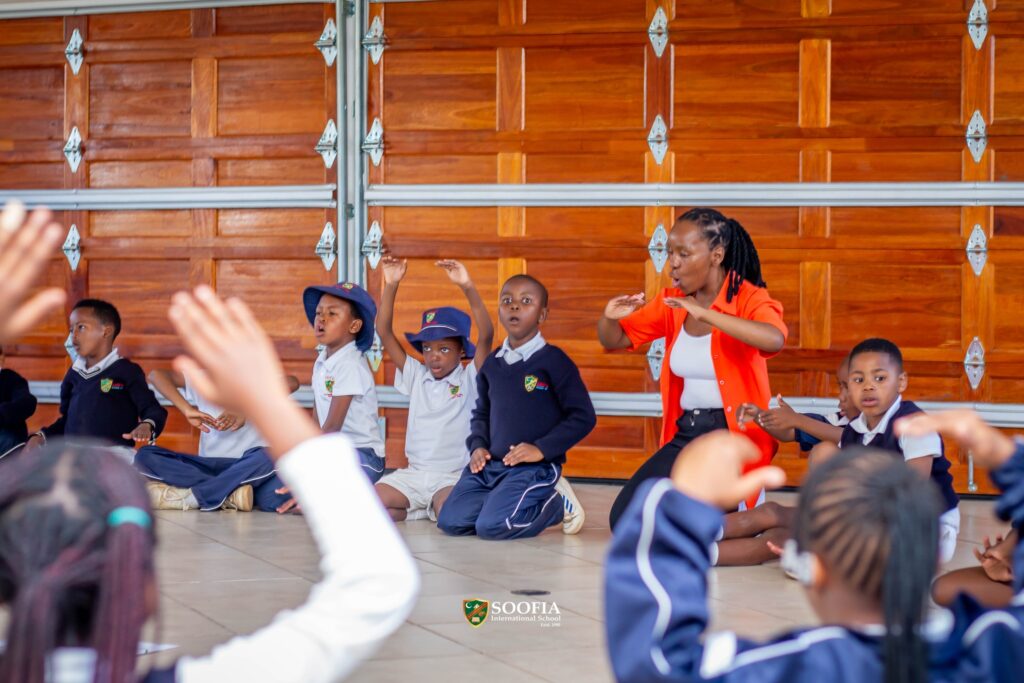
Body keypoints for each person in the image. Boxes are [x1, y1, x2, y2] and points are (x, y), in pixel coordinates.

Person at [0, 197, 419, 682]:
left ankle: (201, 494)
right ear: (148, 593)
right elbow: (377, 587)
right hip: (255, 468)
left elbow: (323, 419)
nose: (320, 318)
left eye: (331, 312)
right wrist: (256, 407)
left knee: (260, 465)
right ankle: (215, 492)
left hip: (325, 457)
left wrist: (251, 408)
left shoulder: (340, 364)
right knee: (231, 474)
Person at [605, 408, 1024, 682]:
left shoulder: (790, 668)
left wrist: (681, 508)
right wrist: (1007, 459)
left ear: (813, 569)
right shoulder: (996, 647)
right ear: (933, 558)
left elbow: (655, 664)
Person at [598, 208, 786, 529]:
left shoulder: (748, 298)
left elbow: (774, 339)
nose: (673, 263)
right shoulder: (673, 302)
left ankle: (748, 512)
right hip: (687, 433)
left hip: (731, 438)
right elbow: (615, 339)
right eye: (671, 252)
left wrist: (706, 314)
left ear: (716, 255)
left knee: (692, 524)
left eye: (684, 254)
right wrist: (608, 317)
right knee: (626, 520)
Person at [437, 274, 596, 539]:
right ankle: (500, 502)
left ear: (542, 315)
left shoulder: (554, 361)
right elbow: (481, 413)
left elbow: (583, 417)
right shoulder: (492, 364)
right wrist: (478, 446)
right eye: (507, 300)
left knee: (491, 527)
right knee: (450, 521)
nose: (514, 306)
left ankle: (554, 503)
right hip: (491, 468)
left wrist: (541, 449)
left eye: (526, 301)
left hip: (533, 468)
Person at [373, 256, 493, 523]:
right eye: (427, 348)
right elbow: (383, 331)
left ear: (462, 351)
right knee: (367, 502)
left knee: (451, 517)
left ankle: (431, 508)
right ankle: (416, 508)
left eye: (444, 349)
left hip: (451, 478)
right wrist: (391, 283)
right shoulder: (417, 375)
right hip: (413, 476)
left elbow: (486, 334)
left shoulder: (470, 378)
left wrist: (467, 285)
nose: (433, 356)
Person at [840, 338, 960, 563]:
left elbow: (914, 489)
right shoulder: (853, 430)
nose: (868, 386)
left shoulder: (914, 425)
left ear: (901, 382)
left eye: (879, 378)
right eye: (858, 380)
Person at [134, 368, 300, 512]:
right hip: (206, 468)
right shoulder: (203, 377)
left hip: (253, 471)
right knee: (145, 456)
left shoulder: (258, 377)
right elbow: (156, 376)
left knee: (272, 465)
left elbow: (292, 382)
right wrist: (187, 409)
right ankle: (230, 494)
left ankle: (194, 497)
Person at [25, 299, 167, 454]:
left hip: (114, 457)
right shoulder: (73, 374)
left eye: (81, 327)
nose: (74, 336)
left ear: (106, 331)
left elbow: (152, 409)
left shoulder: (127, 371)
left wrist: (147, 424)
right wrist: (42, 436)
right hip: (74, 457)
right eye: (71, 330)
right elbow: (67, 420)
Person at [302, 282, 385, 482]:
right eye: (319, 313)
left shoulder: (350, 364)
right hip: (333, 451)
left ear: (354, 326)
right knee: (268, 458)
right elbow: (317, 421)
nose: (321, 319)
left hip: (363, 456)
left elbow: (331, 427)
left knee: (307, 480)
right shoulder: (322, 361)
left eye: (332, 314)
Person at [0, 347, 37, 457]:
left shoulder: (12, 379)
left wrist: (3, 413)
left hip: (7, 442)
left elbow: (27, 402)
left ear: (2, 358)